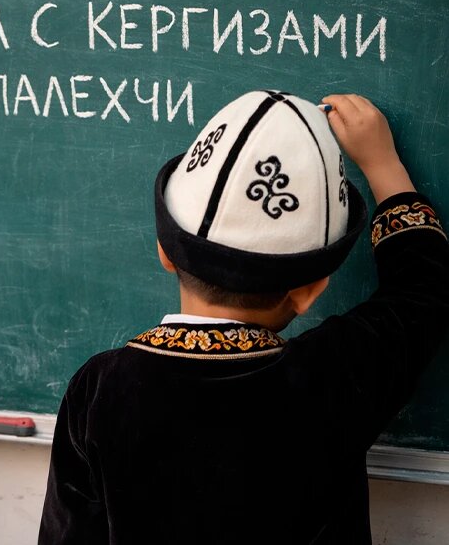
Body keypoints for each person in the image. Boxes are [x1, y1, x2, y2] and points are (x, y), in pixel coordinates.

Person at [38, 90, 448, 544]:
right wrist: (383, 165)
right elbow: (422, 292)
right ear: (310, 292)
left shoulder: (98, 390)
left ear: (165, 252)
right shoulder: (335, 375)